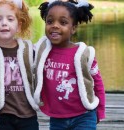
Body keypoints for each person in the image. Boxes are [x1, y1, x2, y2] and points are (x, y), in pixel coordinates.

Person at [33, 0, 106, 129]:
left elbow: (98, 82)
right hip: (57, 117)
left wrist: (100, 110)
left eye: (63, 22)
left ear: (73, 28)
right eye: (50, 21)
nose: (55, 25)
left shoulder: (84, 54)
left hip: (84, 116)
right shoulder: (42, 51)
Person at [0, 0, 39, 130]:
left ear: (18, 26)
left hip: (27, 114)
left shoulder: (29, 50)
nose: (4, 23)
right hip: (0, 116)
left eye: (10, 19)